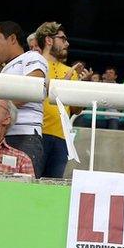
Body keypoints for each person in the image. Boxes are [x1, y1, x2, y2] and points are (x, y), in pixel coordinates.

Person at [0, 20, 47, 177]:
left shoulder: (32, 56)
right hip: (3, 137)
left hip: (24, 136)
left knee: (22, 193)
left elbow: (30, 90)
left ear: (12, 39)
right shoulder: (5, 69)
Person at [37, 21, 86, 178]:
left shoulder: (70, 72)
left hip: (62, 138)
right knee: (30, 184)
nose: (67, 43)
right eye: (63, 39)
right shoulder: (35, 65)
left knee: (53, 188)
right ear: (49, 40)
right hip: (36, 135)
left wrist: (79, 89)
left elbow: (75, 110)